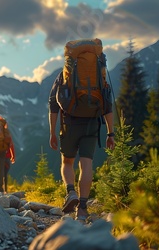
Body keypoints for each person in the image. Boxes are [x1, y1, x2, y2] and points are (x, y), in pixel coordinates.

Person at [48, 71, 115, 220]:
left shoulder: (64, 74)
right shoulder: (99, 75)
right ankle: (83, 208)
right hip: (91, 124)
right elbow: (108, 106)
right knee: (86, 164)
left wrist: (52, 132)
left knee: (67, 162)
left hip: (69, 124)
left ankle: (71, 191)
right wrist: (111, 134)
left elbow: (53, 104)